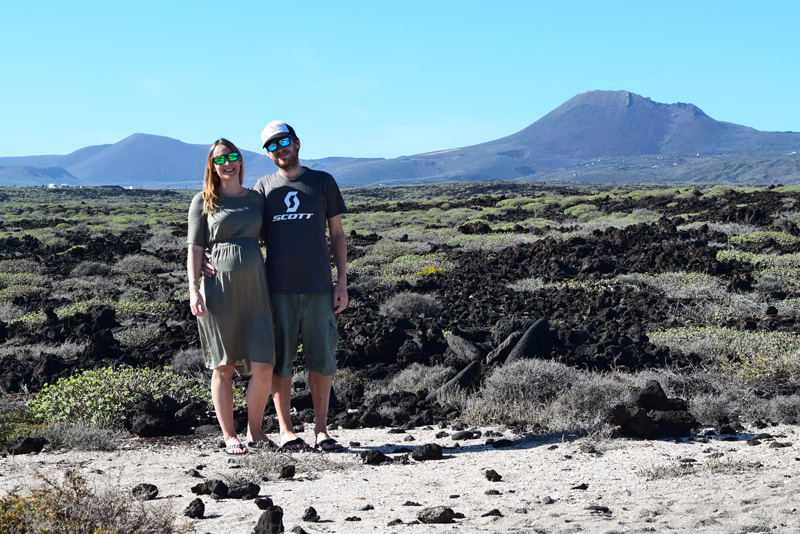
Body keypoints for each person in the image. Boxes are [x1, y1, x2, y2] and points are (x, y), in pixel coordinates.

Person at [203, 121, 348, 452]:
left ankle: (321, 430)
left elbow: (337, 234)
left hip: (318, 287)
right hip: (275, 289)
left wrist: (342, 282)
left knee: (320, 361)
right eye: (271, 145)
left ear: (296, 142)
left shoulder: (323, 182)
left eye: (283, 141)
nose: (279, 148)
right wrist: (203, 256)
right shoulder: (262, 189)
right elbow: (236, 222)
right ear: (267, 154)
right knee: (280, 362)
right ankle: (286, 430)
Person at [187, 138, 277, 455]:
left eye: (233, 157)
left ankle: (255, 430)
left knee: (264, 365)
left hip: (256, 288)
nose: (227, 163)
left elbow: (277, 233)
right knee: (222, 366)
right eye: (220, 159)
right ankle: (229, 435)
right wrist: (193, 288)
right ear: (212, 166)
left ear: (240, 161)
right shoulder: (204, 201)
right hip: (218, 290)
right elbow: (195, 248)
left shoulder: (256, 199)